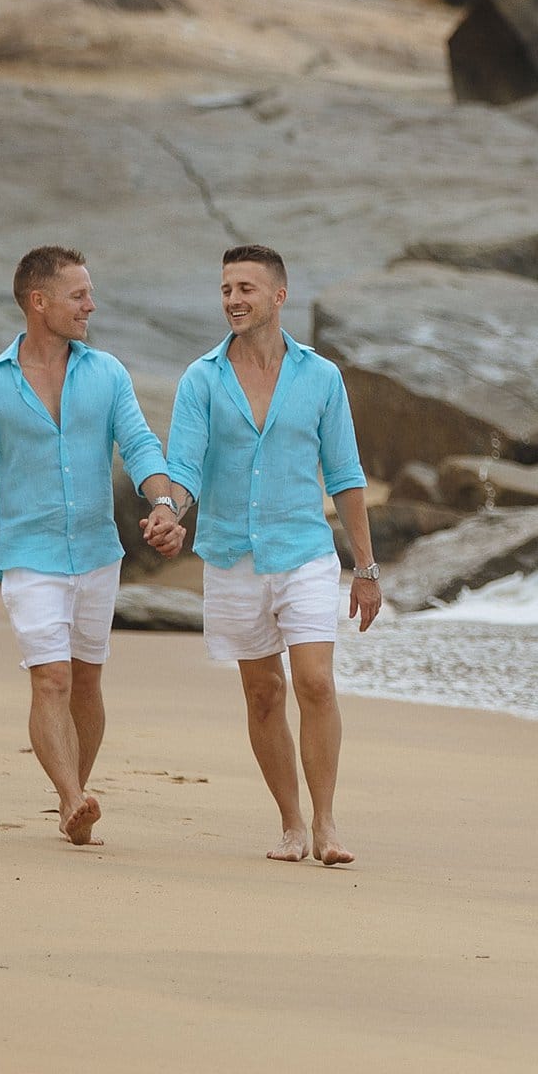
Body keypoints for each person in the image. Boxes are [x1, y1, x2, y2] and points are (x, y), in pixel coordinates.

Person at [0, 245, 186, 847]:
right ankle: (72, 798)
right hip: (28, 557)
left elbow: (139, 445)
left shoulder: (106, 373)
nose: (90, 305)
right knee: (49, 678)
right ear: (39, 302)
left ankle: (76, 796)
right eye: (78, 295)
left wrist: (164, 502)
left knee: (85, 681)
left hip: (99, 553)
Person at [153, 242, 380, 864]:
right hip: (230, 555)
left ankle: (328, 824)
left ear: (279, 296)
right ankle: (291, 824)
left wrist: (366, 569)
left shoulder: (321, 377)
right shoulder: (202, 378)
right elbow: (184, 464)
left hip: (304, 549)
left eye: (246, 289)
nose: (234, 300)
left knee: (314, 682)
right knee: (262, 695)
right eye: (227, 289)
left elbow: (346, 475)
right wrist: (171, 513)